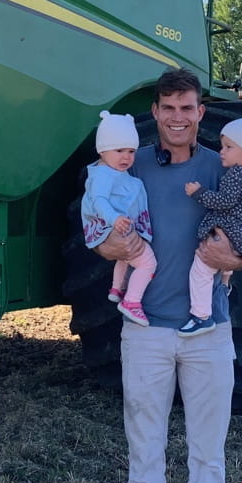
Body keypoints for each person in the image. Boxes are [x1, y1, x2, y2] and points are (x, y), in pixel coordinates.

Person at [93, 69, 242, 483]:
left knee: (206, 458)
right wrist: (110, 249)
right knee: (145, 455)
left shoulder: (225, 167)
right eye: (168, 108)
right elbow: (97, 234)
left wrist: (234, 260)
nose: (178, 118)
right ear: (156, 112)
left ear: (200, 113)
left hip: (209, 335)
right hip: (145, 333)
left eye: (187, 108)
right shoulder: (126, 164)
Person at [180, 117, 242, 336]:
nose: (222, 151)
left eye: (229, 147)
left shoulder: (236, 174)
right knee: (223, 258)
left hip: (233, 233)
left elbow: (223, 201)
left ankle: (201, 316)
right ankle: (225, 281)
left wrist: (198, 192)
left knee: (200, 269)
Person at [81, 111, 155, 325]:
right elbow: (99, 201)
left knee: (125, 256)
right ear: (102, 150)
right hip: (114, 225)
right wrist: (114, 220)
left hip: (119, 225)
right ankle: (131, 301)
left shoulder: (112, 172)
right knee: (147, 263)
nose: (126, 157)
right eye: (119, 150)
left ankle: (116, 288)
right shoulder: (103, 176)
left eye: (131, 151)